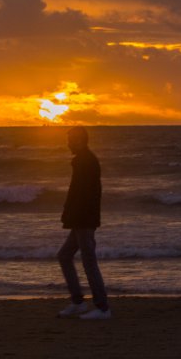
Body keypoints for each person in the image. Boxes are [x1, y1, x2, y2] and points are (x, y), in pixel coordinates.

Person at [56, 125, 110, 319]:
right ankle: (78, 301)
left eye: (71, 140)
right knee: (64, 256)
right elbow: (78, 192)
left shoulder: (86, 161)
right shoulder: (82, 161)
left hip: (84, 220)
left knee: (88, 261)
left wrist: (73, 216)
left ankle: (102, 307)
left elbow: (84, 194)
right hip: (80, 218)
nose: (68, 143)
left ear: (80, 141)